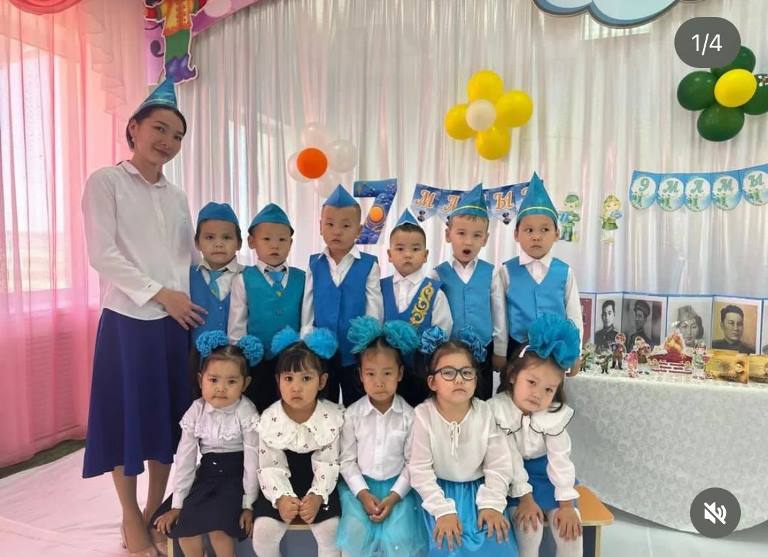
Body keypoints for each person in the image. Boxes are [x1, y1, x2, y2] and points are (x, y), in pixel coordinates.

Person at [81, 78, 203, 557]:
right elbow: (103, 254)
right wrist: (160, 294)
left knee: (167, 423)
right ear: (133, 128)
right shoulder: (106, 182)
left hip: (175, 325)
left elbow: (189, 258)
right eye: (160, 129)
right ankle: (130, 515)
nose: (168, 141)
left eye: (177, 136)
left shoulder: (177, 196)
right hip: (128, 321)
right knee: (126, 420)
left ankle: (155, 508)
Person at [409, 327, 518, 556]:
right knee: (444, 545)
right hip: (437, 493)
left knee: (494, 540)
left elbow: (498, 464)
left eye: (467, 372)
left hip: (479, 492)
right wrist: (442, 511)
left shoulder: (485, 412)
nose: (459, 379)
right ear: (432, 382)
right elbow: (419, 470)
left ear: (476, 379)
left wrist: (492, 504)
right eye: (448, 372)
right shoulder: (423, 415)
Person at [152, 332, 261, 557]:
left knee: (218, 531)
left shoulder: (246, 412)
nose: (221, 388)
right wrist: (177, 504)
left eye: (231, 381)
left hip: (236, 479)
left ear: (245, 383)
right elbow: (185, 458)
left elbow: (253, 461)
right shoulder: (196, 410)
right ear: (201, 379)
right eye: (213, 380)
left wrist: (248, 504)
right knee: (186, 531)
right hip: (206, 477)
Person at [490, 315, 583, 557]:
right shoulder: (498, 411)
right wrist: (525, 498)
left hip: (549, 476)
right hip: (514, 478)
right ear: (512, 375)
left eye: (549, 389)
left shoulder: (552, 415)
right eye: (531, 382)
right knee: (528, 529)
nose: (538, 395)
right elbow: (508, 458)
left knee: (571, 531)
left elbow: (560, 458)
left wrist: (566, 504)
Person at [336, 316, 429, 557]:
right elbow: (347, 460)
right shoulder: (352, 415)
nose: (379, 382)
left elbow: (413, 462)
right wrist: (363, 494)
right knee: (355, 537)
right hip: (361, 490)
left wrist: (394, 497)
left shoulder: (410, 416)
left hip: (398, 492)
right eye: (371, 374)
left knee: (400, 539)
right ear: (360, 375)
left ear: (400, 373)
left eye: (387, 373)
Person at [251, 326, 343, 557]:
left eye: (306, 378)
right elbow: (268, 465)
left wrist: (318, 495)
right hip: (278, 485)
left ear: (322, 381)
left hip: (321, 484)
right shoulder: (269, 419)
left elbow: (329, 461)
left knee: (331, 532)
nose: (296, 387)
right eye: (288, 378)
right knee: (263, 533)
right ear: (278, 380)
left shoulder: (332, 417)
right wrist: (282, 497)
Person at [301, 185, 384, 405]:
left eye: (346, 225)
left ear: (359, 230)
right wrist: (306, 336)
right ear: (320, 227)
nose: (337, 231)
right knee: (322, 402)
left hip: (355, 351)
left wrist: (370, 343)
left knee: (357, 401)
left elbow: (374, 306)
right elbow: (308, 304)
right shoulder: (314, 263)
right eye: (330, 224)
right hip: (321, 350)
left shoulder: (369, 265)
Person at [495, 173, 583, 373]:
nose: (536, 236)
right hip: (517, 350)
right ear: (516, 234)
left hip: (556, 352)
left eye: (544, 230)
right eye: (529, 230)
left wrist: (575, 352)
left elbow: (574, 315)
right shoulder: (506, 271)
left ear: (557, 234)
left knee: (551, 391)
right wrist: (500, 350)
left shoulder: (564, 272)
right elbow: (500, 316)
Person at [229, 203, 305, 412]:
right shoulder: (243, 279)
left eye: (281, 240)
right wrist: (240, 357)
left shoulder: (302, 277)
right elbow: (237, 323)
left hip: (293, 360)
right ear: (252, 242)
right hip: (257, 361)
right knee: (258, 407)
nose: (275, 246)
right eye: (267, 239)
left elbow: (307, 317)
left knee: (292, 406)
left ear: (290, 243)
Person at [432, 185, 500, 399]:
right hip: (449, 352)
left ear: (485, 239)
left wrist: (500, 350)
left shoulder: (491, 272)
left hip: (484, 350)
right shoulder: (438, 274)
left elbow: (499, 314)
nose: (468, 241)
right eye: (461, 233)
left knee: (481, 396)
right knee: (450, 397)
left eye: (476, 235)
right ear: (448, 234)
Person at [382, 210, 452, 405]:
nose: (407, 255)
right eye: (400, 249)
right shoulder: (379, 288)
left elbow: (443, 329)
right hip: (386, 372)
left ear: (425, 255)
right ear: (389, 254)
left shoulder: (434, 290)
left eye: (415, 249)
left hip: (422, 372)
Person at [188, 202, 243, 382]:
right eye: (209, 237)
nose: (218, 244)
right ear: (197, 242)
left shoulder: (249, 276)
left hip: (239, 365)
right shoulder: (187, 277)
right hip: (197, 364)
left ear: (239, 243)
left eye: (226, 237)